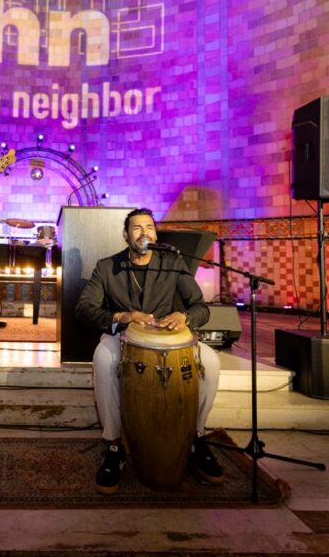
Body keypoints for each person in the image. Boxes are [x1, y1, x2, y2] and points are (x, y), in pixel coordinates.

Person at [75, 208, 223, 494]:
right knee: (103, 361)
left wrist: (185, 317)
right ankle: (115, 444)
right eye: (137, 228)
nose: (144, 233)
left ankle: (196, 437)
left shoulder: (172, 262)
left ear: (156, 234)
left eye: (149, 227)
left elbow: (200, 306)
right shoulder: (107, 267)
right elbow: (83, 309)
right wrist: (121, 317)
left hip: (169, 338)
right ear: (126, 235)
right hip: (123, 338)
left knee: (211, 362)